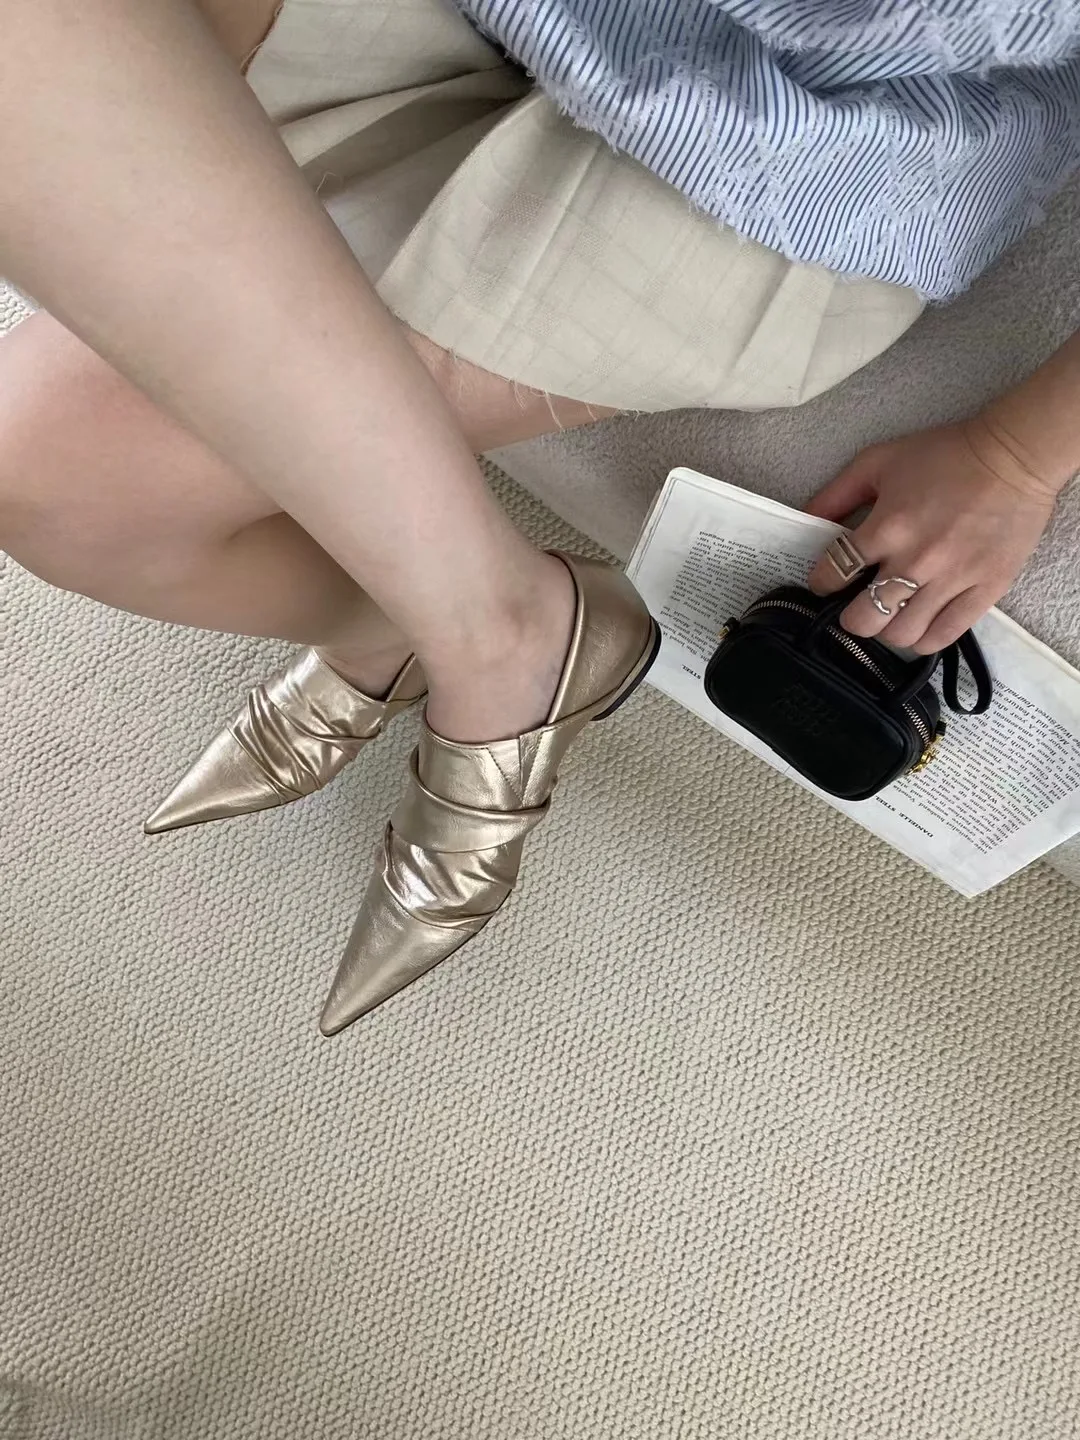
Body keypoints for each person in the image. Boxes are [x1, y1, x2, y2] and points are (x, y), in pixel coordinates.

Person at [3, 0, 1078, 1033]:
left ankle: (455, 621)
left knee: (49, 473)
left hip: (801, 147)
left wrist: (1018, 454)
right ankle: (471, 617)